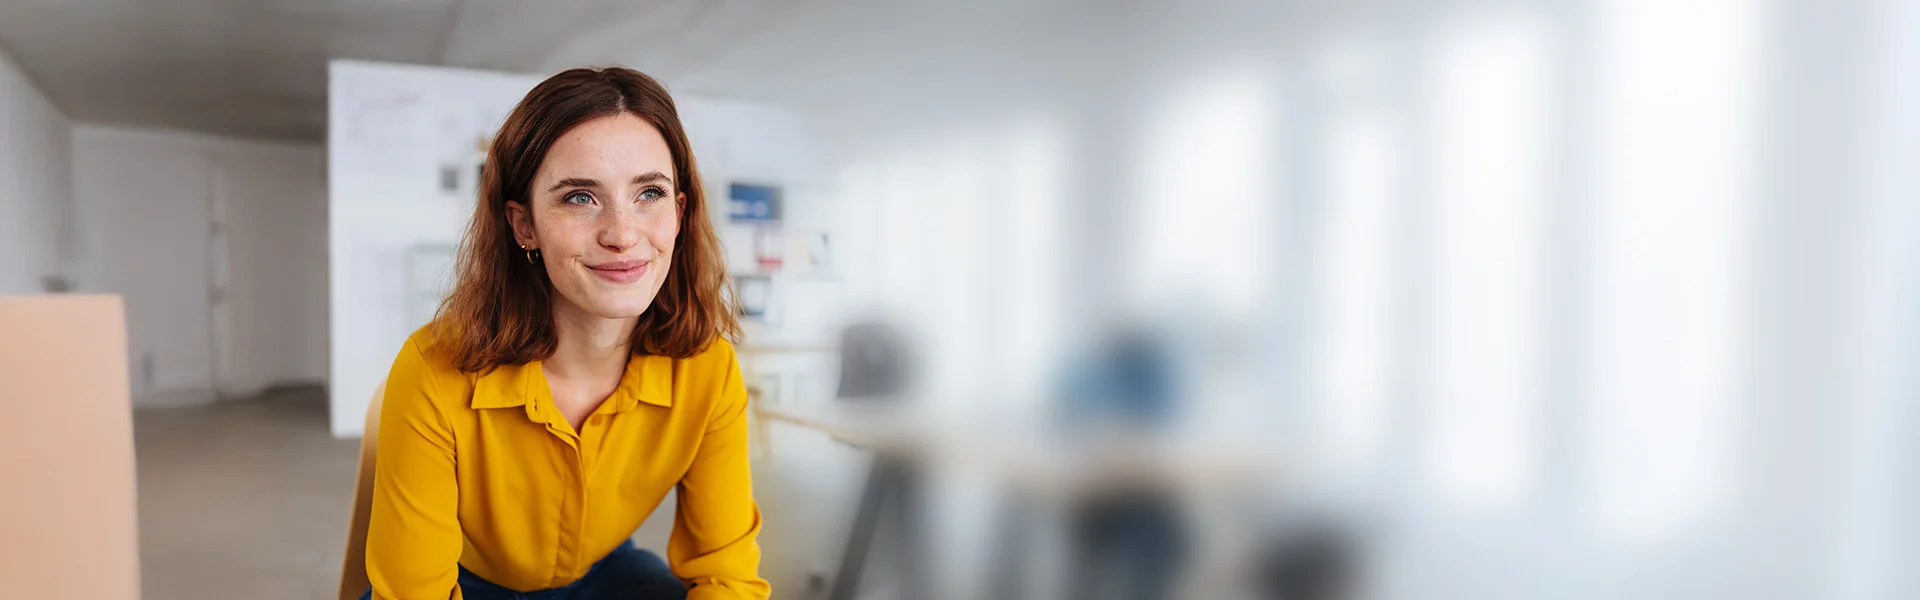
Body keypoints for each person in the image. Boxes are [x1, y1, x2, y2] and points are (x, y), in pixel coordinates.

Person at [361, 67, 768, 600]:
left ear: (679, 212)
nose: (622, 235)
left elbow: (728, 576)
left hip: (604, 573)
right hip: (464, 580)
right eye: (580, 197)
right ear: (523, 225)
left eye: (649, 192)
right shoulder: (433, 369)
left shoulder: (707, 368)